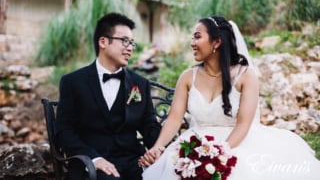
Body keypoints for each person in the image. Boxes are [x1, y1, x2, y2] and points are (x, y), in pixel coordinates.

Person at [140, 16, 320, 180]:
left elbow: (243, 124)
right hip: (195, 143)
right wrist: (158, 147)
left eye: (197, 37)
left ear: (216, 42)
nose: (192, 42)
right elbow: (174, 118)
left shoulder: (246, 75)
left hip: (237, 141)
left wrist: (217, 154)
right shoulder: (188, 76)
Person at [54, 12, 161, 180]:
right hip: (91, 164)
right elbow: (63, 131)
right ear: (103, 41)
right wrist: (93, 158)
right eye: (125, 41)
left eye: (132, 42)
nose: (130, 48)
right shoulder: (73, 82)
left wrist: (161, 148)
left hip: (134, 161)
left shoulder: (140, 84)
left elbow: (149, 127)